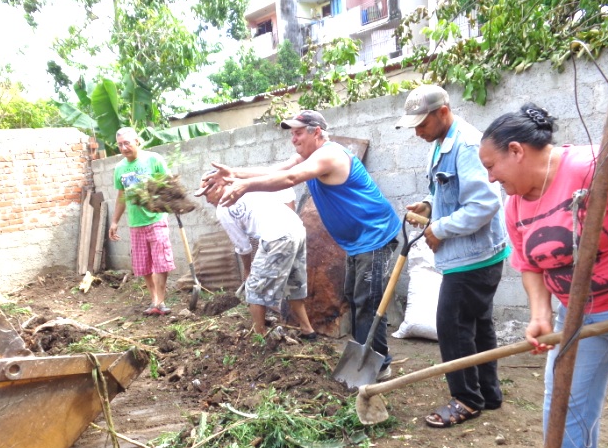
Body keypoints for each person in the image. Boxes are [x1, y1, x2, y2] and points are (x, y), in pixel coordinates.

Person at [478, 103, 608, 448]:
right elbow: (530, 264)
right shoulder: (516, 203)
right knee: (565, 396)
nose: (490, 177)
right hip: (579, 317)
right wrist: (539, 315)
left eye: (491, 165)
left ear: (517, 151)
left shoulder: (600, 167)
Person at [206, 110, 401, 380]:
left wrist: (244, 187)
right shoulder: (307, 156)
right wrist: (234, 175)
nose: (293, 139)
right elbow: (277, 171)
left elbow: (289, 180)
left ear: (316, 132)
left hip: (375, 234)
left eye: (298, 133)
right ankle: (365, 357)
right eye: (291, 134)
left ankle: (379, 364)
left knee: (366, 300)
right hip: (358, 240)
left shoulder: (329, 155)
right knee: (355, 297)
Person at [396, 85, 511, 428]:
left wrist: (440, 229)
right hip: (473, 253)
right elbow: (447, 191)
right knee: (477, 325)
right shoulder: (442, 144)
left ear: (442, 112)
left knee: (452, 325)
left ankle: (466, 399)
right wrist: (430, 205)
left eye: (421, 123)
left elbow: (485, 204)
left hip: (474, 256)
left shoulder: (466, 146)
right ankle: (488, 393)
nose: (417, 131)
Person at [194, 173, 316, 338]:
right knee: (293, 285)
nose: (207, 200)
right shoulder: (248, 186)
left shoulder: (224, 208)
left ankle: (259, 336)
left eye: (207, 194)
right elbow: (286, 191)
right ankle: (308, 330)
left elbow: (243, 247)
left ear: (218, 186)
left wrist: (247, 272)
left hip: (276, 236)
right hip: (296, 228)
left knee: (253, 290)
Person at [108, 127, 176, 316]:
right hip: (135, 223)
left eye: (127, 143)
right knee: (143, 265)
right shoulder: (120, 168)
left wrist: (169, 199)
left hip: (156, 219)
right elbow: (121, 195)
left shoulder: (154, 160)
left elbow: (169, 183)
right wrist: (115, 221)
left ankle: (161, 302)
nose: (124, 147)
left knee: (162, 262)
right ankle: (154, 300)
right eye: (120, 144)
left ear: (137, 141)